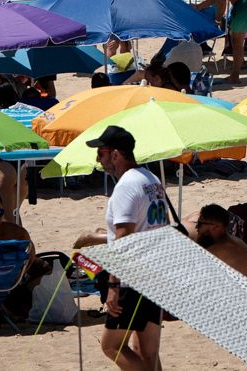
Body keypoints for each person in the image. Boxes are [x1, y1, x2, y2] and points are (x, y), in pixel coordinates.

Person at [81, 126, 168, 371]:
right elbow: (150, 228)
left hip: (133, 281)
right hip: (156, 275)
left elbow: (124, 237)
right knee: (147, 353)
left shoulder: (126, 186)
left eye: (101, 153)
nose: (99, 160)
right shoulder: (151, 180)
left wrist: (113, 287)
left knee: (111, 346)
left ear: (116, 154)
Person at [187, 204, 247, 279]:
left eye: (199, 224)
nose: (196, 228)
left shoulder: (219, 251)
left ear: (215, 227)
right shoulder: (237, 242)